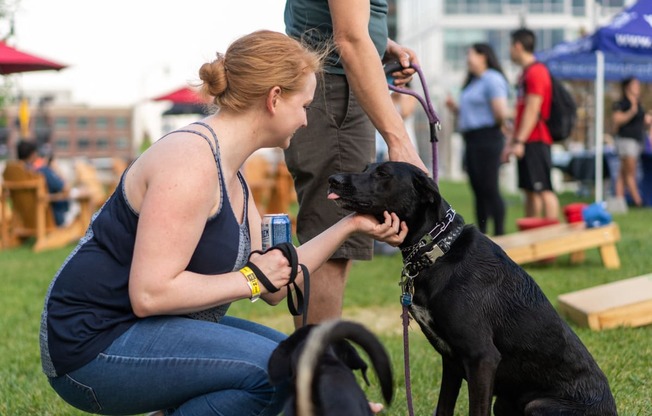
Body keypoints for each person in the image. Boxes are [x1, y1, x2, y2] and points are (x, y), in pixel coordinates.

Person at [39, 30, 406, 416]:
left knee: (306, 362)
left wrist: (350, 225)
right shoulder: (189, 161)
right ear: (275, 98)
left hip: (142, 329)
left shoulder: (234, 176)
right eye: (305, 105)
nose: (305, 119)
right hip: (91, 346)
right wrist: (251, 277)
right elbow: (150, 294)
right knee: (283, 374)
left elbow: (275, 288)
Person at [284, 0, 427, 326]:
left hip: (335, 85)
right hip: (334, 90)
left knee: (334, 242)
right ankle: (317, 369)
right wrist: (399, 141)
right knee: (331, 243)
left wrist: (380, 43)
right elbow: (348, 37)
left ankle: (316, 364)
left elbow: (348, 24)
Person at [446, 43, 509, 235]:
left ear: (483, 57)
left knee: (489, 187)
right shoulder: (473, 82)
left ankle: (499, 233)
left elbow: (500, 112)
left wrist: (501, 125)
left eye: (470, 54)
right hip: (472, 138)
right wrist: (455, 108)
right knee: (478, 188)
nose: (467, 58)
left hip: (488, 137)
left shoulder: (492, 79)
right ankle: (482, 234)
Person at [504, 28, 560, 220]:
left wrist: (519, 141)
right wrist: (513, 142)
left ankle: (552, 242)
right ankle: (532, 238)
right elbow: (521, 111)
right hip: (527, 140)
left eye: (510, 46)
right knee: (530, 191)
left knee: (543, 190)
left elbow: (533, 109)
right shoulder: (525, 74)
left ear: (518, 46)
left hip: (536, 139)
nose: (509, 51)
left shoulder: (537, 72)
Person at [611, 76, 651, 207]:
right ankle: (638, 201)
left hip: (637, 140)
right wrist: (631, 112)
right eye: (635, 85)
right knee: (630, 172)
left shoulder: (639, 104)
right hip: (626, 141)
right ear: (628, 87)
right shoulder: (622, 103)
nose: (638, 87)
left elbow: (642, 122)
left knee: (623, 173)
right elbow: (616, 120)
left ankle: (619, 201)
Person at [16, 140, 70, 226]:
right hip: (49, 218)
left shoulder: (15, 175)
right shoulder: (42, 171)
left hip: (24, 220)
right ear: (33, 154)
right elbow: (65, 188)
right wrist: (56, 169)